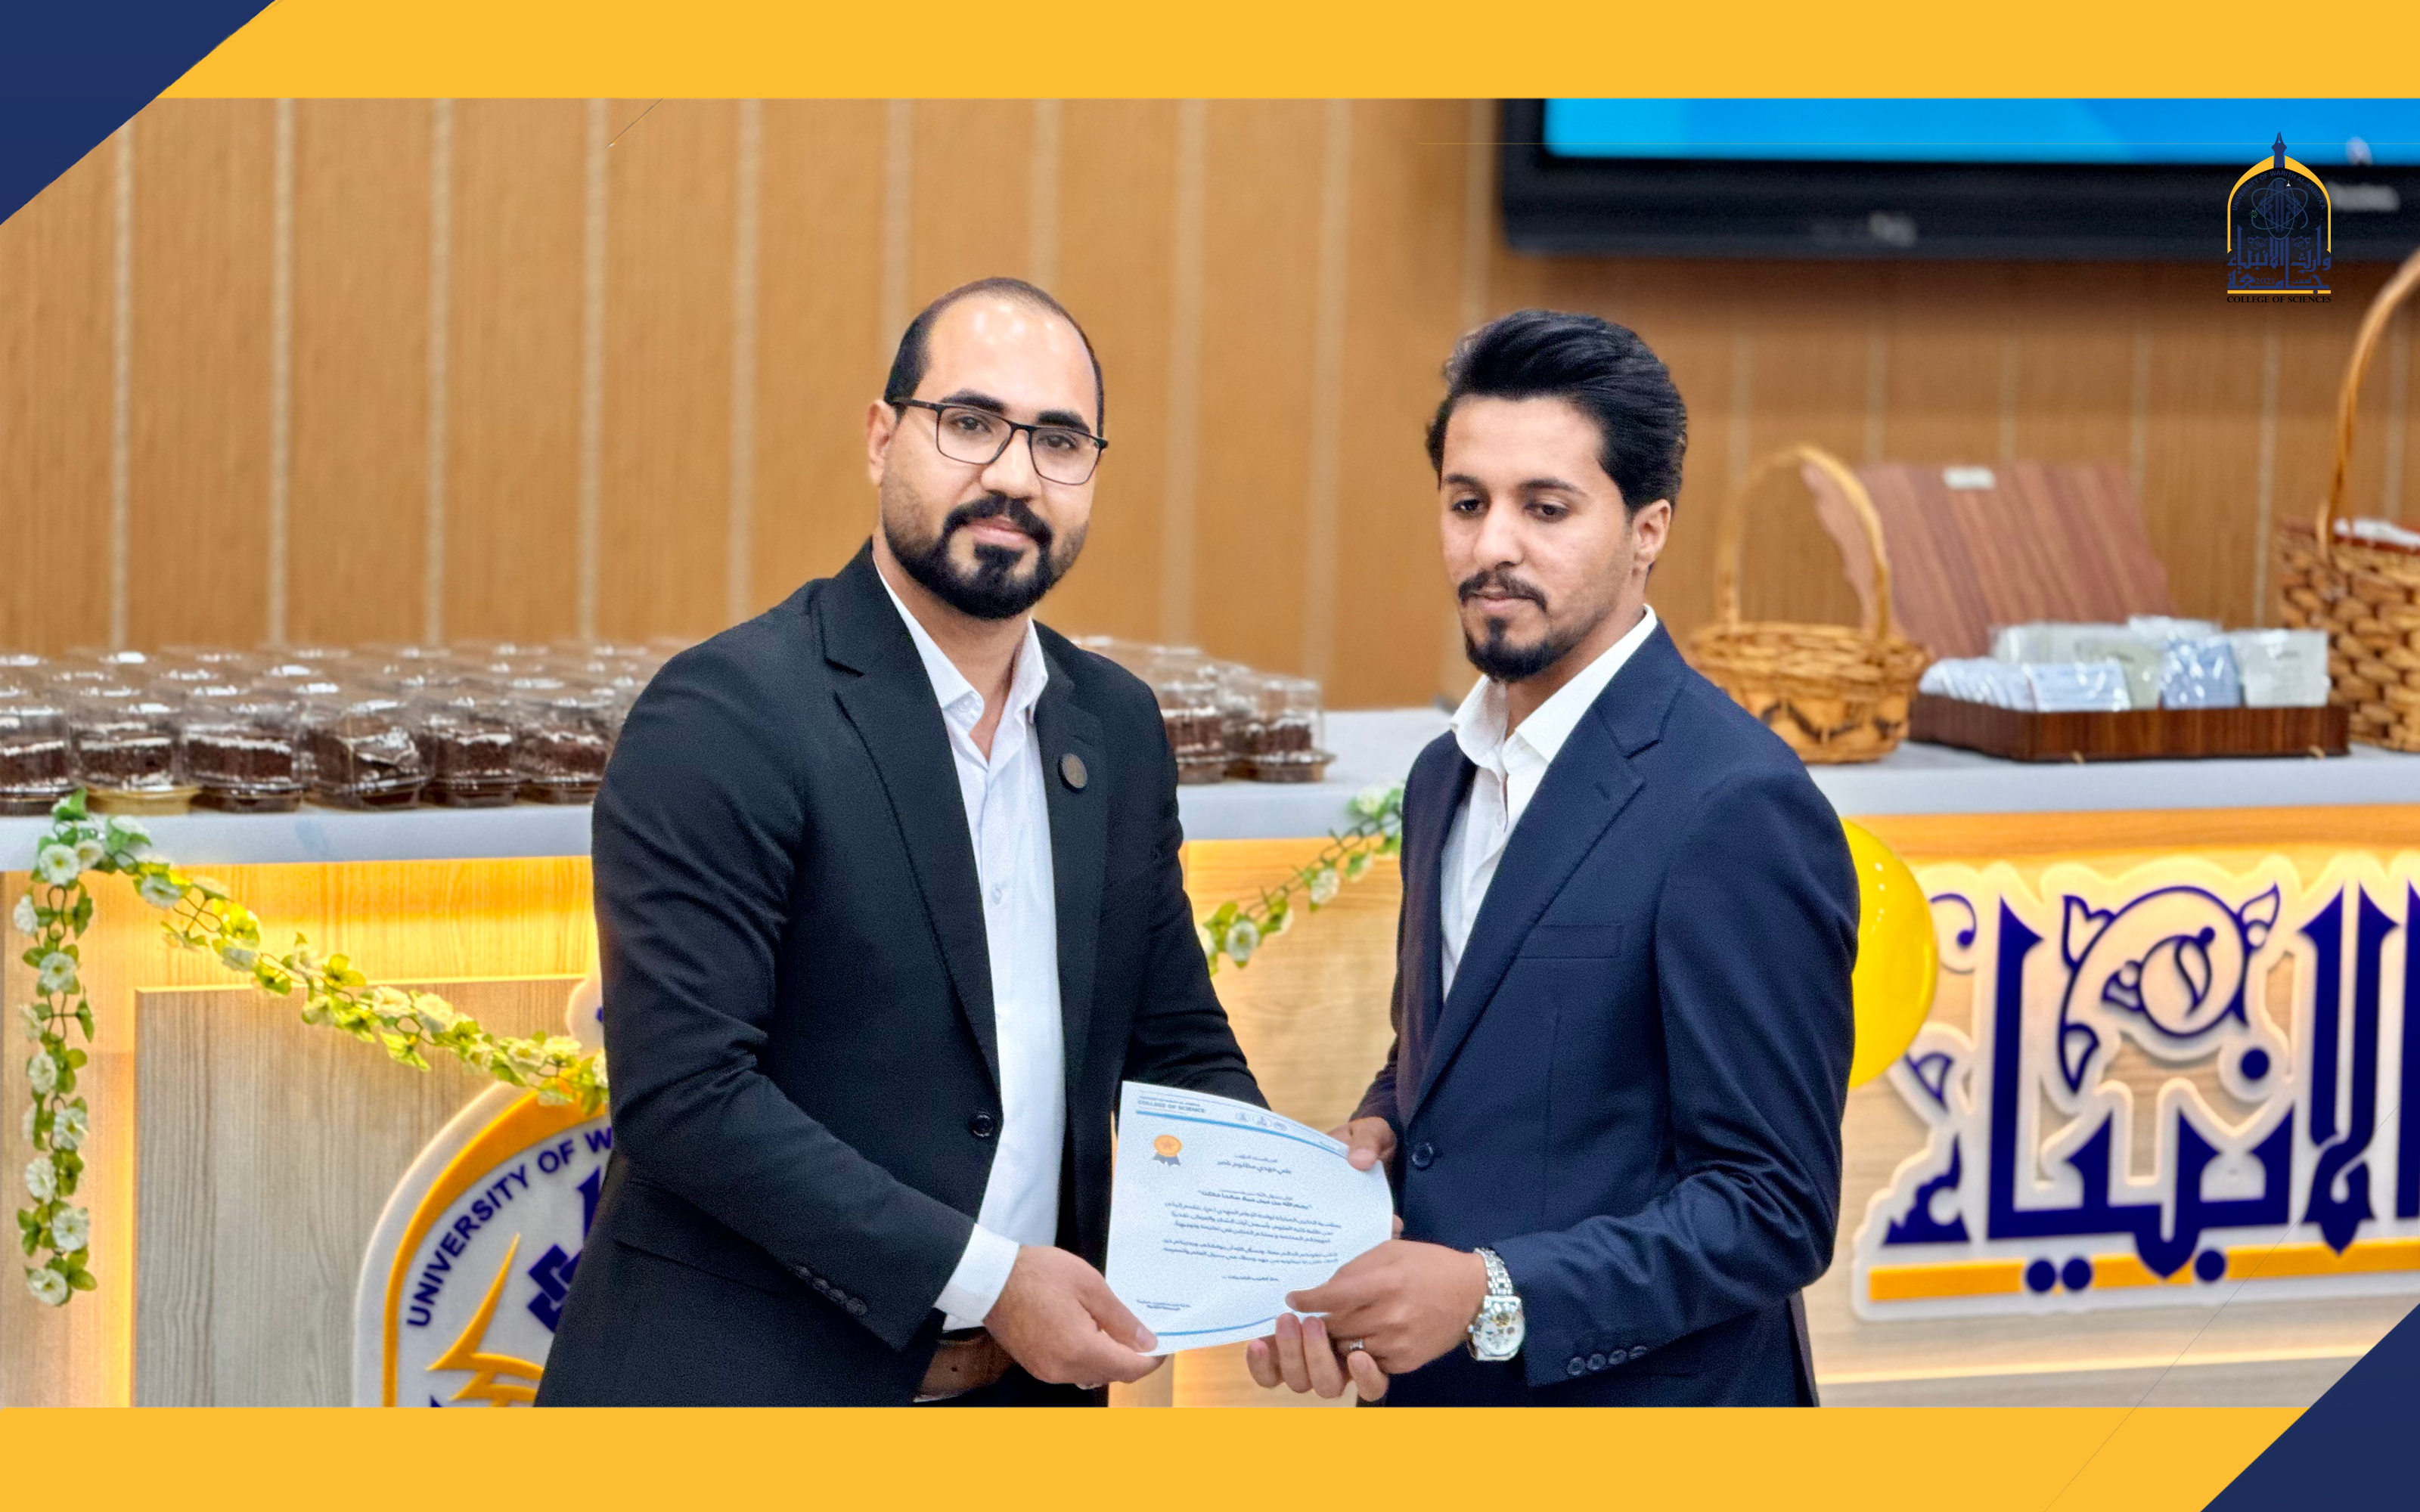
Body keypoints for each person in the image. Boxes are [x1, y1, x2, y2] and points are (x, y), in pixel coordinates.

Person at [538, 277, 1263, 1406]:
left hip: (1025, 1401)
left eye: (1059, 441)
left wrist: (1294, 1229)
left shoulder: (1113, 727)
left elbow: (1175, 1042)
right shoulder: (726, 713)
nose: (1014, 476)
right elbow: (688, 1096)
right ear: (883, 438)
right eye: (970, 423)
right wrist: (990, 1281)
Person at [1247, 309, 1856, 1406]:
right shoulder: (1443, 775)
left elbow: (1774, 1207)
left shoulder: (1737, 803)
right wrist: (1383, 1128)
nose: (1493, 546)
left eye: (1546, 508)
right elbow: (1461, 1048)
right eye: (1466, 503)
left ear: (1649, 529)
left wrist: (1493, 1294)